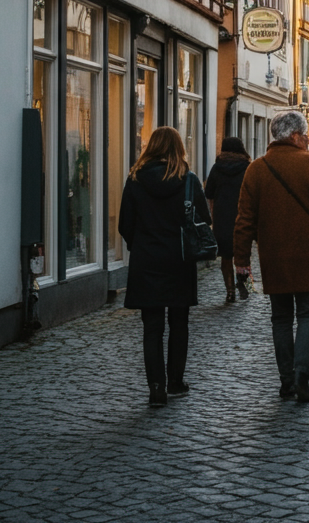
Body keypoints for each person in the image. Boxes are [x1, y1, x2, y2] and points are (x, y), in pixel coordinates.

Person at [233, 111, 309, 403]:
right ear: (297, 136)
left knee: (281, 318)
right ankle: (302, 373)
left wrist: (241, 259)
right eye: (306, 136)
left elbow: (244, 219)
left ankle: (286, 380)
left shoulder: (257, 169)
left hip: (274, 256)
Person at [118, 126, 211, 408]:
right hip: (179, 260)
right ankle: (176, 381)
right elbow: (203, 219)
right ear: (178, 148)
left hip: (147, 260)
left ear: (151, 147)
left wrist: (142, 246)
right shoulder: (188, 179)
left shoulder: (135, 179)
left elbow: (124, 224)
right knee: (179, 323)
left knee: (152, 327)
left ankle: (156, 387)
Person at [204, 137, 252, 303]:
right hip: (242, 216)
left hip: (222, 217)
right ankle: (244, 285)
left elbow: (208, 192)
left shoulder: (217, 168)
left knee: (225, 257)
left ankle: (230, 291)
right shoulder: (247, 168)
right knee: (243, 253)